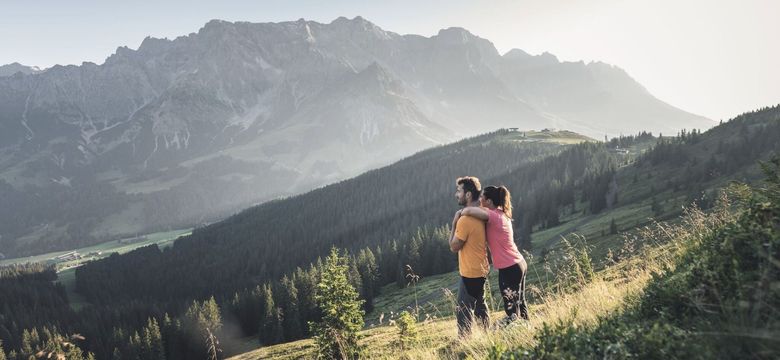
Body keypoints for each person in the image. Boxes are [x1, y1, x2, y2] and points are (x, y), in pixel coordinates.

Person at [460, 185, 529, 325]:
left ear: (489, 201)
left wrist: (459, 214)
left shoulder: (492, 216)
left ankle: (517, 334)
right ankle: (527, 328)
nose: (480, 199)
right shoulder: (501, 213)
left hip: (509, 268)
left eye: (482, 197)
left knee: (511, 306)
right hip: (518, 263)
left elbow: (468, 210)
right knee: (520, 302)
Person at [450, 176, 490, 336]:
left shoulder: (465, 220)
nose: (456, 194)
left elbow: (454, 246)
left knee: (463, 312)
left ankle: (465, 344)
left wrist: (453, 224)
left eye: (459, 191)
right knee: (480, 306)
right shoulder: (483, 213)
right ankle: (488, 337)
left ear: (468, 195)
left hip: (470, 273)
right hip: (482, 269)